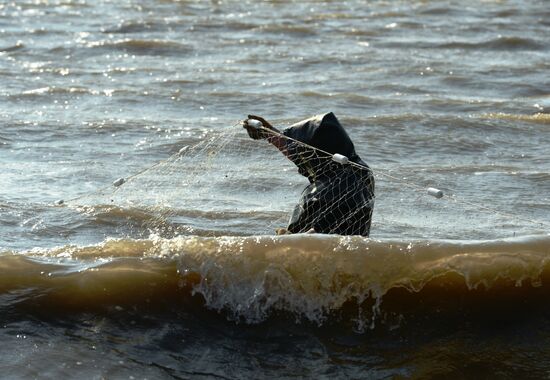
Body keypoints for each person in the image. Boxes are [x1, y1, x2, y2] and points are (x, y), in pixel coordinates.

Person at [243, 112, 375, 237]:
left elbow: (313, 237)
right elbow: (299, 149)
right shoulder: (354, 168)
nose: (298, 158)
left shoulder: (333, 188)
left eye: (302, 154)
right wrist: (268, 132)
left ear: (315, 156)